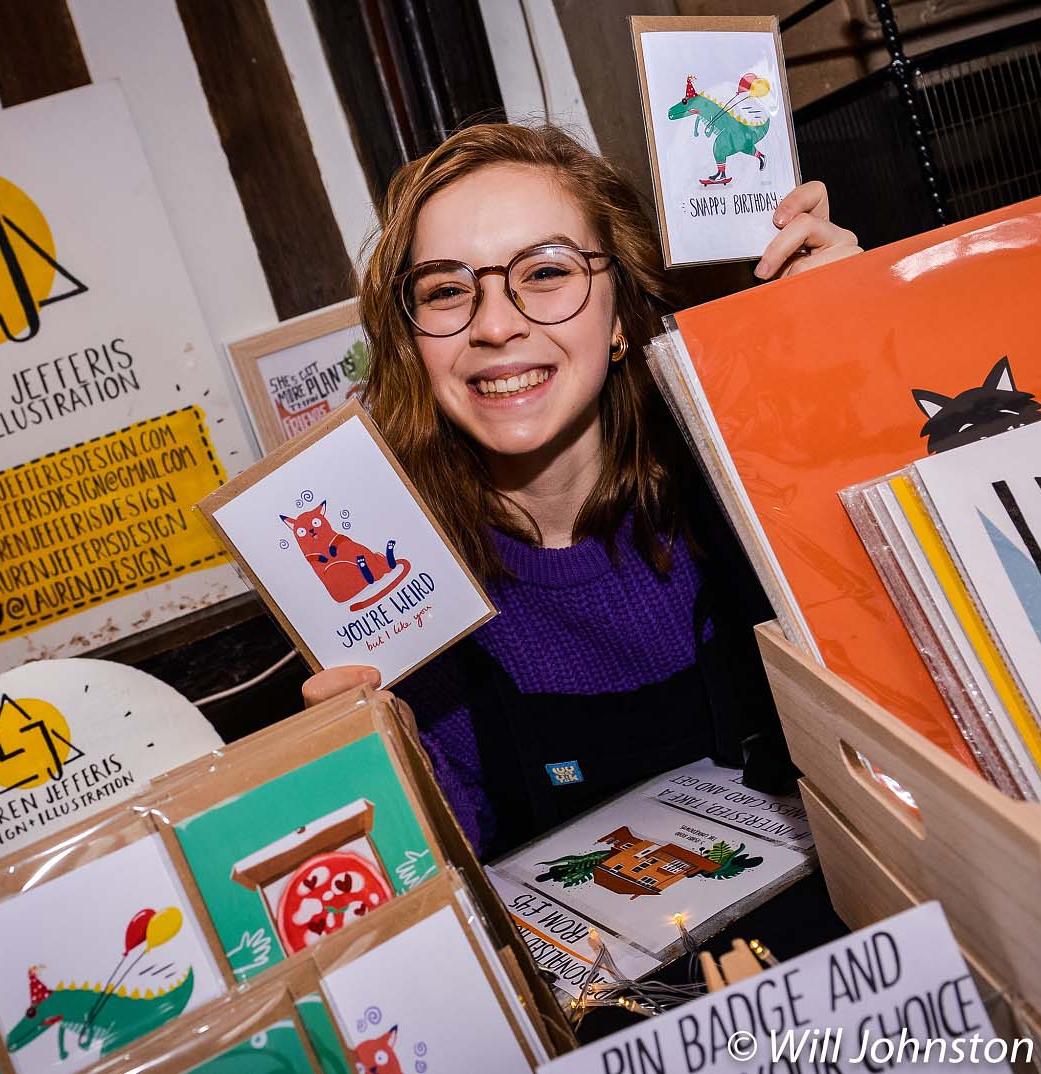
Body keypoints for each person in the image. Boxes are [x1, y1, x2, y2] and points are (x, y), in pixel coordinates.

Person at [301, 123, 860, 858]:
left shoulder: (747, 490)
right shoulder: (399, 590)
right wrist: (381, 774)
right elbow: (454, 871)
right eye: (445, 289)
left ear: (624, 313)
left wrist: (862, 346)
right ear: (412, 342)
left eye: (546, 273)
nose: (495, 324)